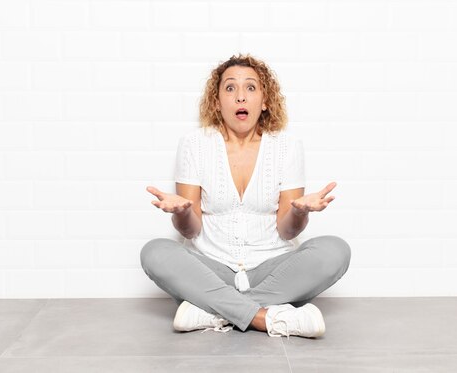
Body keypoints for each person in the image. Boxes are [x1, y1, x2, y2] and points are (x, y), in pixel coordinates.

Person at [141, 54, 351, 338]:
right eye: (230, 88)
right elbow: (191, 231)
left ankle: (214, 311)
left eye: (250, 88)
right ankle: (270, 317)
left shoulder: (287, 147)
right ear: (217, 102)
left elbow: (286, 232)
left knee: (335, 251)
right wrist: (181, 213)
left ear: (264, 101)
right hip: (214, 269)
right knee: (155, 252)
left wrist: (300, 212)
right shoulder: (194, 144)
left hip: (271, 269)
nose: (241, 96)